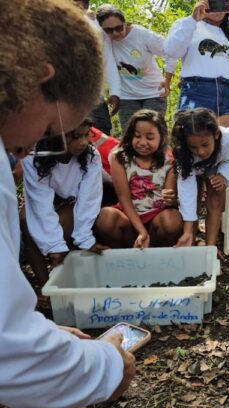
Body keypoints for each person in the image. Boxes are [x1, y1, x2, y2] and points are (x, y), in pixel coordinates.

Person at [0, 0, 133, 408]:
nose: (34, 144)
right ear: (37, 80)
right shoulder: (26, 156)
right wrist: (104, 367)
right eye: (48, 129)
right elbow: (7, 347)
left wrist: (43, 335)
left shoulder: (87, 158)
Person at [20, 118, 106, 285]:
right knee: (25, 222)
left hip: (72, 202)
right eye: (74, 136)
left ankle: (69, 281)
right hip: (43, 202)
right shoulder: (33, 157)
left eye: (86, 135)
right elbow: (40, 201)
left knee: (64, 227)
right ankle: (46, 287)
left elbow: (88, 200)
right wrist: (54, 246)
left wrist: (85, 240)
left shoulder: (91, 157)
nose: (82, 142)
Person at [164, 0, 229, 138]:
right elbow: (171, 51)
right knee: (193, 150)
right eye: (213, 3)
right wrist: (192, 19)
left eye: (223, 4)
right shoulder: (187, 24)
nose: (218, 9)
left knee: (228, 151)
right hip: (198, 92)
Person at [95, 109, 182, 249]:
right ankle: (124, 254)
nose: (142, 142)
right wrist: (141, 231)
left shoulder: (170, 160)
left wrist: (171, 199)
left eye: (150, 137)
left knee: (172, 220)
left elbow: (170, 199)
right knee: (106, 217)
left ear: (162, 137)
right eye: (137, 136)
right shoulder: (120, 158)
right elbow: (124, 199)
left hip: (156, 219)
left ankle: (157, 250)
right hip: (129, 217)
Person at [172, 108, 229, 251]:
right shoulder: (183, 152)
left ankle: (210, 248)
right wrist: (186, 230)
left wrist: (223, 176)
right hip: (191, 167)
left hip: (218, 165)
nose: (201, 152)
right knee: (194, 201)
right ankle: (189, 242)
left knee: (215, 201)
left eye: (205, 144)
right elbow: (187, 194)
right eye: (194, 147)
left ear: (216, 134)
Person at [95, 4, 170, 129]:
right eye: (109, 30)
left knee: (152, 132)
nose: (115, 33)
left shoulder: (142, 35)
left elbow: (170, 51)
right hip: (126, 97)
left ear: (125, 22)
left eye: (119, 28)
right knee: (130, 137)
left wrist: (167, 79)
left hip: (153, 94)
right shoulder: (104, 39)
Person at [74, 0, 122, 137]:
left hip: (94, 95)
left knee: (101, 136)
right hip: (63, 96)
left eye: (82, 2)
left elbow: (107, 59)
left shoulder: (95, 26)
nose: (78, 5)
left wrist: (115, 91)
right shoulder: (51, 24)